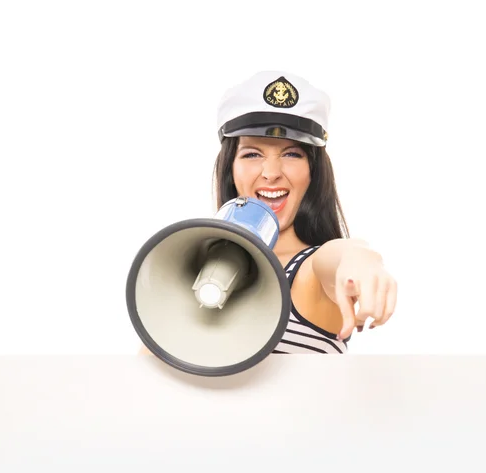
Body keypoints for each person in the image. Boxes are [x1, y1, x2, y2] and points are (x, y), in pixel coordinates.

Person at [140, 70, 397, 356]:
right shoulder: (188, 274)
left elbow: (339, 255)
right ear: (231, 169)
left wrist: (360, 262)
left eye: (291, 154)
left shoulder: (309, 272)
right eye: (252, 154)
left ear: (313, 172)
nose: (272, 173)